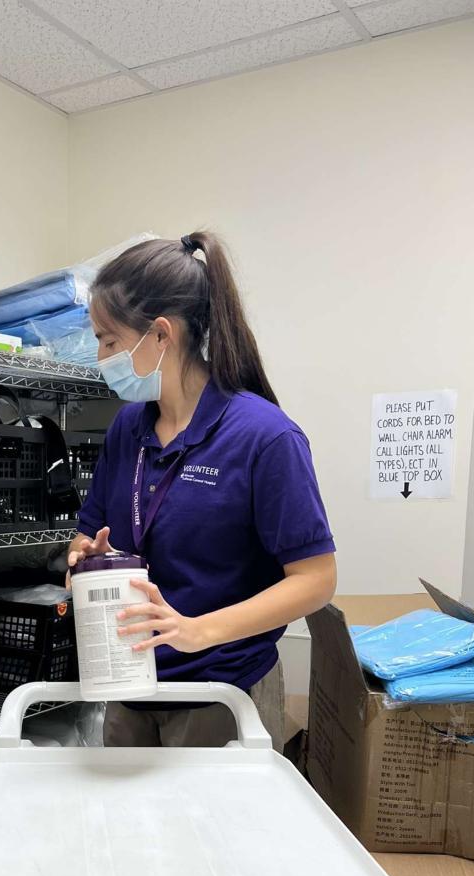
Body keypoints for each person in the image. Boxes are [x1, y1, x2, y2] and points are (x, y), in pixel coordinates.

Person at [68, 232, 336, 749]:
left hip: (222, 693)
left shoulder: (265, 437)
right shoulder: (128, 429)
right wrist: (85, 557)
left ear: (160, 335)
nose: (100, 357)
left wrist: (199, 630)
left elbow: (316, 580)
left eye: (109, 341)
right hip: (128, 685)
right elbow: (86, 533)